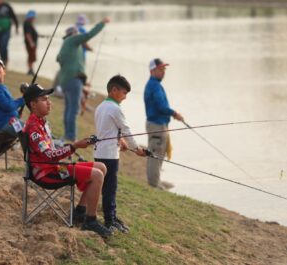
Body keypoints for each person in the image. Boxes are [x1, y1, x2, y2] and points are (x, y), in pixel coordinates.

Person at [22, 83, 112, 238]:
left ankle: (80, 211)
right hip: (46, 174)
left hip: (55, 168)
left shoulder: (41, 122)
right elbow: (49, 156)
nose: (49, 102)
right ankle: (90, 221)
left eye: (49, 98)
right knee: (97, 175)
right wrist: (74, 147)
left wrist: (73, 146)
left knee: (101, 167)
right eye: (44, 99)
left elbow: (51, 150)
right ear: (33, 104)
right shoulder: (33, 128)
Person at [94, 75, 146, 233]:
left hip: (100, 152)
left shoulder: (101, 106)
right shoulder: (115, 108)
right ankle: (110, 219)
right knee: (110, 188)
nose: (125, 97)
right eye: (124, 93)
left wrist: (121, 142)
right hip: (110, 155)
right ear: (114, 90)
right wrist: (136, 149)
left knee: (107, 187)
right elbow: (126, 129)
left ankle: (112, 216)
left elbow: (109, 129)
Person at [57, 17, 110, 141]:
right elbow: (88, 35)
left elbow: (60, 59)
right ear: (74, 34)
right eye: (77, 33)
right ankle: (71, 136)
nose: (78, 35)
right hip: (73, 81)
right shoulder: (73, 40)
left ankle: (67, 134)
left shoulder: (66, 44)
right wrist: (101, 23)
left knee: (69, 108)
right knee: (74, 109)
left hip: (66, 81)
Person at [144, 58, 184, 190]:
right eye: (160, 69)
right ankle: (154, 184)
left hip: (159, 124)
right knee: (155, 153)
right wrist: (174, 113)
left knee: (159, 153)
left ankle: (156, 181)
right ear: (152, 71)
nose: (163, 72)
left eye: (164, 69)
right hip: (156, 125)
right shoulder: (154, 86)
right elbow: (161, 106)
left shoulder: (155, 85)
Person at [0, 58, 24, 137]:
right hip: (3, 127)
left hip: (10, 123)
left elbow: (9, 106)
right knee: (31, 129)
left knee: (33, 129)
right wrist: (23, 100)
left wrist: (17, 114)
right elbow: (8, 106)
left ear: (4, 71)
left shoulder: (1, 87)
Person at [23, 10, 37, 76]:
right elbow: (28, 34)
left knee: (31, 57)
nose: (34, 19)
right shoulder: (27, 23)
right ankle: (30, 70)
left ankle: (31, 69)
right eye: (34, 17)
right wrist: (31, 42)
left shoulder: (28, 23)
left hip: (30, 43)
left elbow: (31, 33)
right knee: (31, 57)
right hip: (30, 44)